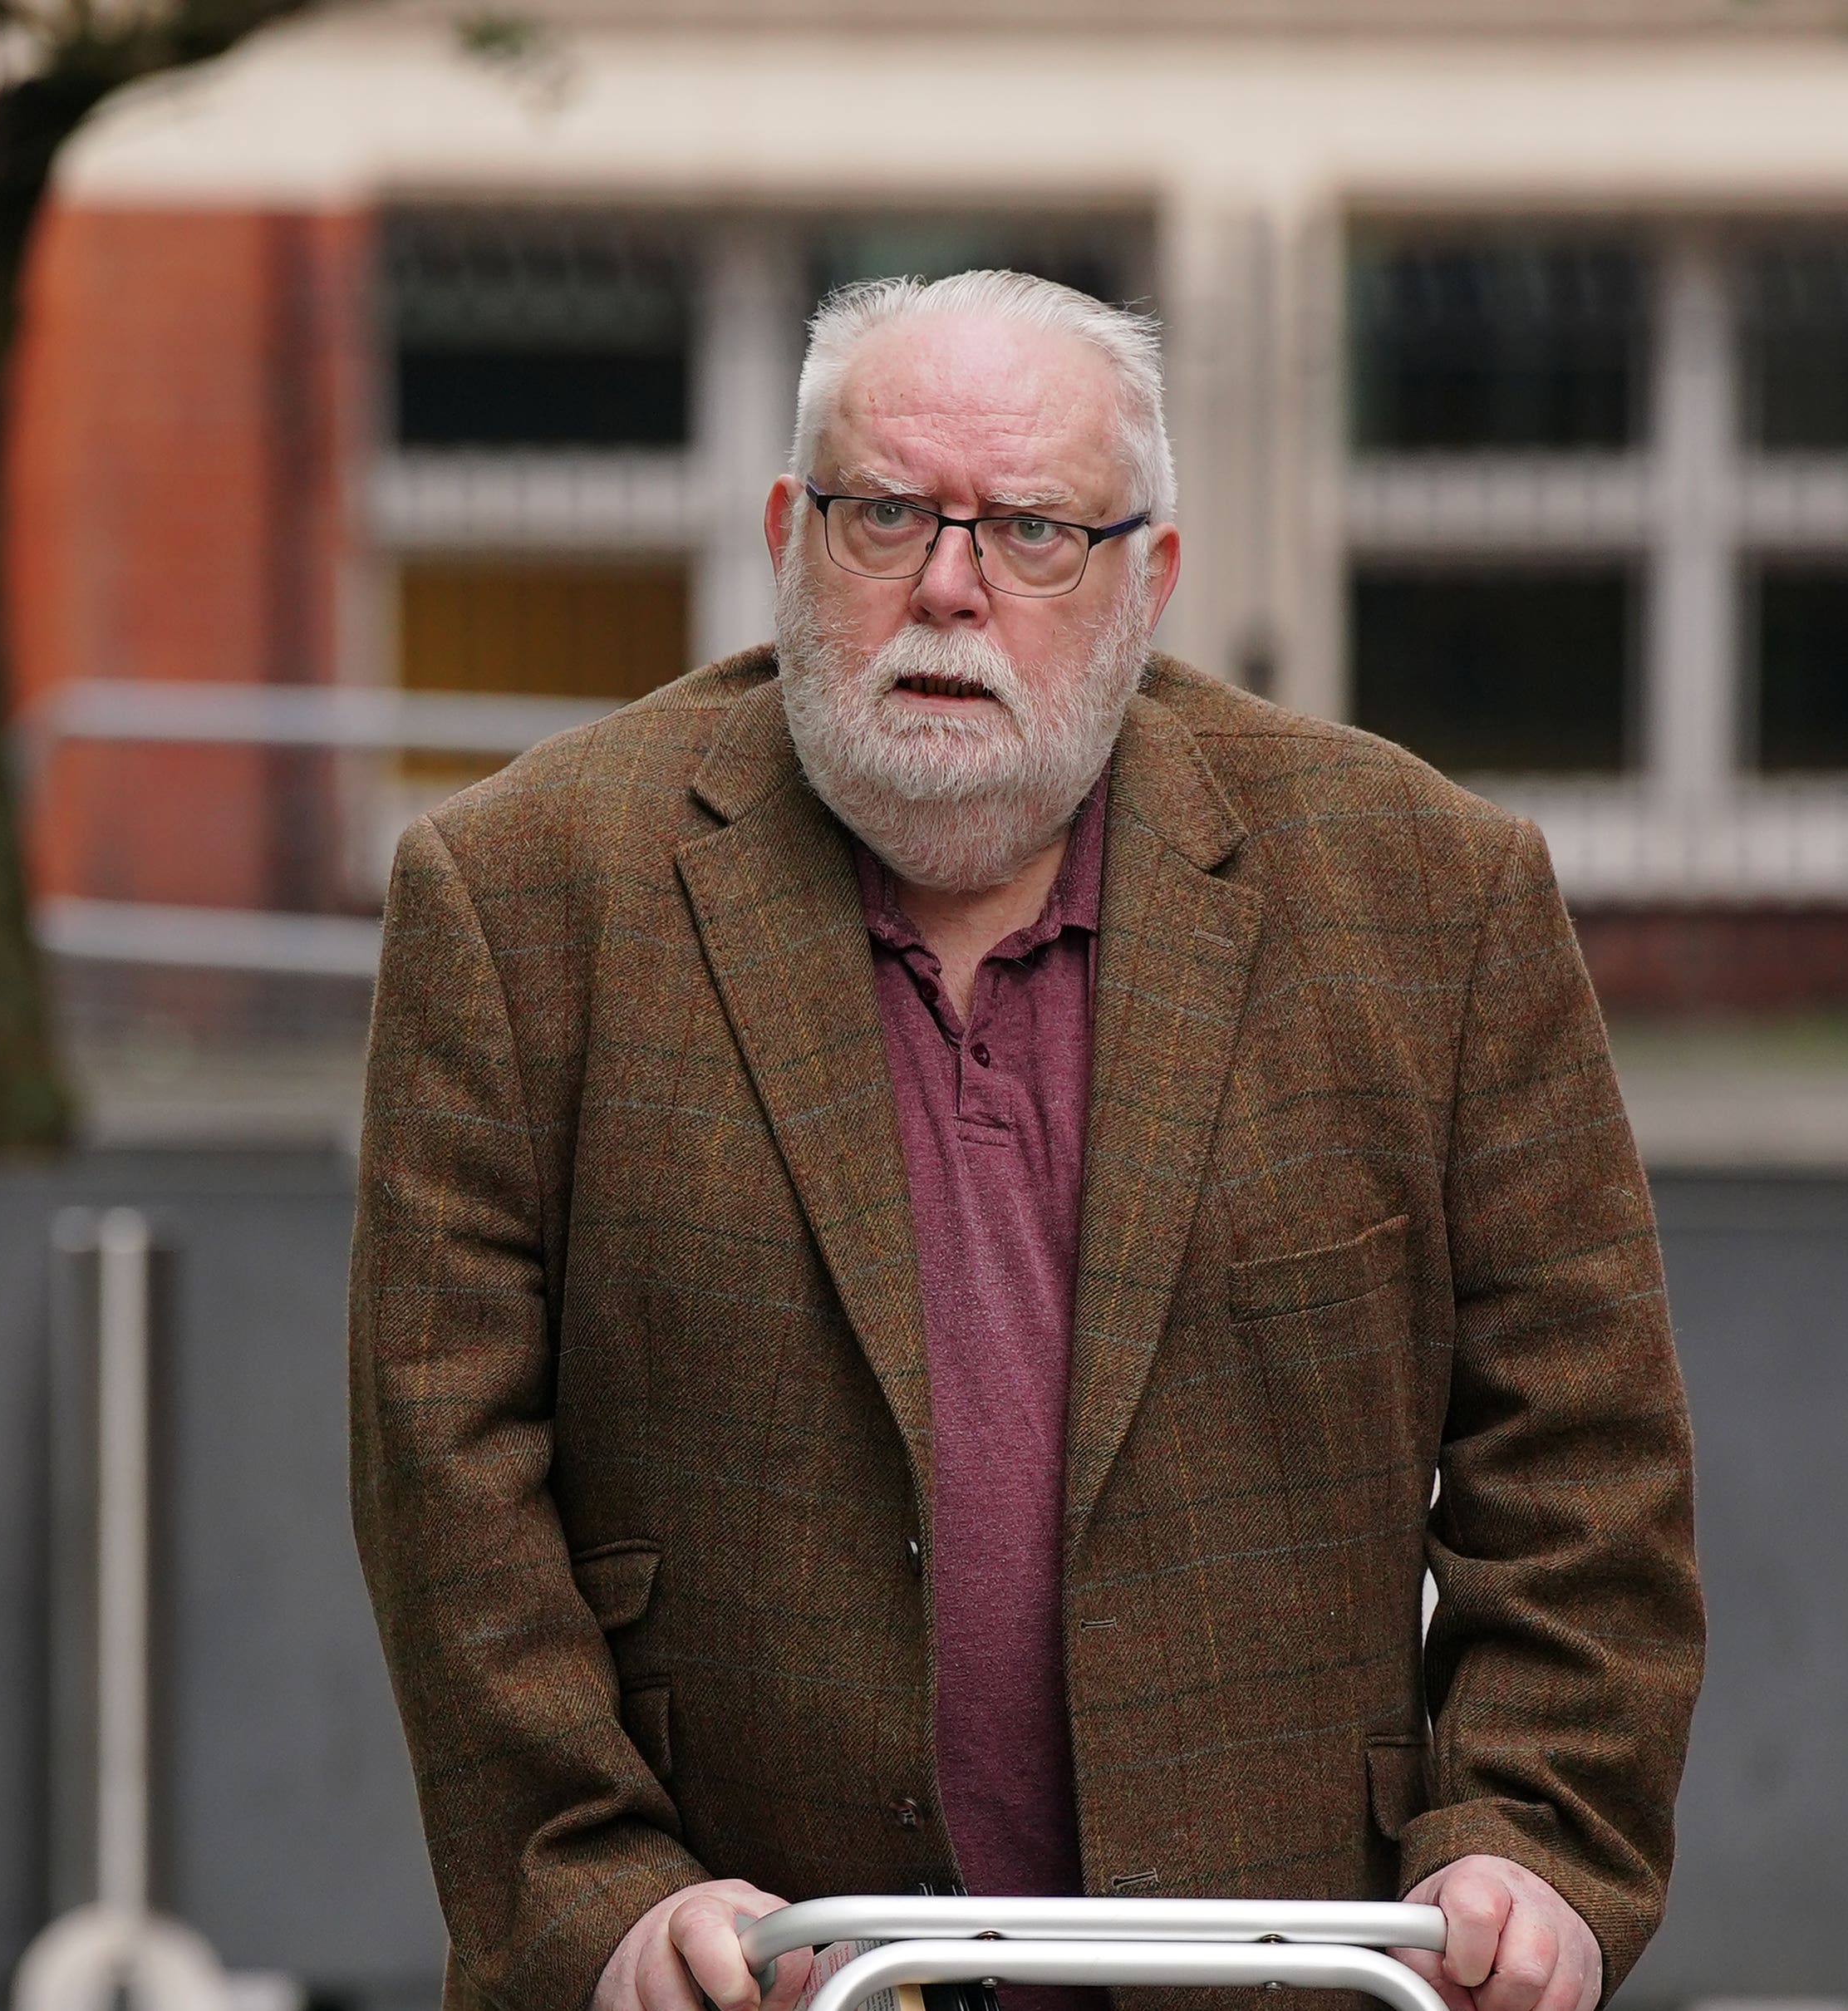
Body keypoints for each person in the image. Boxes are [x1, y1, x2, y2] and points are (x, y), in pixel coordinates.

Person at [350, 272, 1703, 2011]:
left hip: (1294, 1966)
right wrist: (596, 1893)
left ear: (1149, 576)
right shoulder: (521, 897)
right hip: (740, 1972)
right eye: (885, 512)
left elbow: (1585, 1465)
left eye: (1035, 531)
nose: (945, 587)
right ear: (786, 530)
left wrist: (1531, 1842)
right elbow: (445, 1482)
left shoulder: (1429, 897)